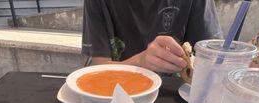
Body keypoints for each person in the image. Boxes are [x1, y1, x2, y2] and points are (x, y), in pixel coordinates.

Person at [82, 0, 223, 73]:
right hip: (116, 92)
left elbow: (214, 59)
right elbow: (99, 67)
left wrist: (238, 63)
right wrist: (140, 61)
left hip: (172, 97)